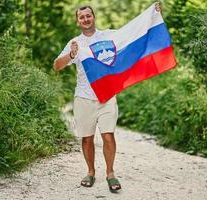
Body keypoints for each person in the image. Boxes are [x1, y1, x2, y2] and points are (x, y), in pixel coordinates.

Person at [53, 2, 161, 193]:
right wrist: (71, 54)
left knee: (108, 135)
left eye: (88, 16)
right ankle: (91, 172)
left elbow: (133, 32)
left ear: (93, 17)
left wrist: (151, 14)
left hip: (107, 96)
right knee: (86, 139)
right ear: (78, 21)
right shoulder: (75, 43)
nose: (85, 19)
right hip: (83, 98)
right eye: (81, 17)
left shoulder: (109, 36)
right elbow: (57, 66)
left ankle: (110, 173)